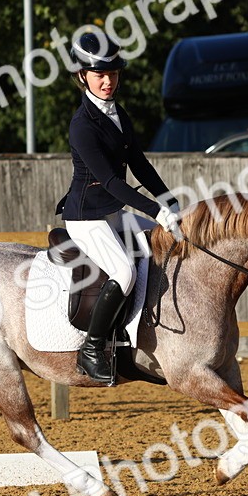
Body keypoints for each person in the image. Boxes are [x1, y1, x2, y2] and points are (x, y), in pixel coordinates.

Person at [55, 32, 183, 384]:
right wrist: (156, 212)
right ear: (83, 77)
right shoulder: (82, 125)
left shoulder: (118, 113)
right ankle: (92, 348)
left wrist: (170, 202)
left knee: (163, 247)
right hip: (87, 217)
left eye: (113, 74)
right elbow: (113, 183)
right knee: (124, 272)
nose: (108, 81)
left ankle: (132, 344)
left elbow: (139, 164)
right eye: (100, 75)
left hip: (113, 212)